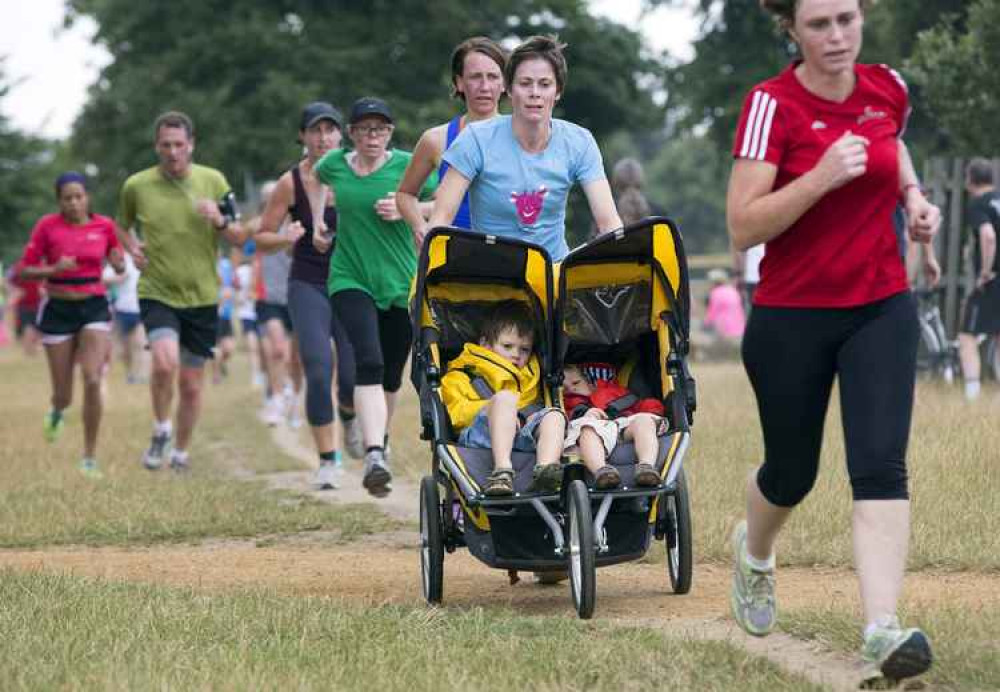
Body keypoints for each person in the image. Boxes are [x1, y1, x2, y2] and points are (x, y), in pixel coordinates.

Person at [726, 0, 941, 685]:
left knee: (880, 464)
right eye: (819, 24)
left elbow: (892, 144)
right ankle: (755, 553)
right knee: (793, 473)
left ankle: (881, 629)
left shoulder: (889, 88)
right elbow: (742, 226)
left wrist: (912, 197)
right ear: (791, 29)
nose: (838, 36)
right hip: (791, 315)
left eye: (847, 18)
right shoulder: (771, 105)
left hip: (880, 305)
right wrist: (819, 176)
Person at [311, 97, 436, 497]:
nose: (372, 136)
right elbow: (314, 179)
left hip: (401, 282)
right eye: (364, 129)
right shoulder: (333, 165)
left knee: (390, 374)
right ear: (351, 134)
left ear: (390, 132)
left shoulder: (405, 165)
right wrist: (318, 222)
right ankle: (375, 452)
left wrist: (407, 209)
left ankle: (377, 439)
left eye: (380, 129)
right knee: (368, 358)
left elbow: (445, 200)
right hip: (350, 277)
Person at [116, 111, 247, 472]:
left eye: (178, 144)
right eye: (165, 145)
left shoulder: (214, 180)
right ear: (156, 146)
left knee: (191, 384)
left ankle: (181, 453)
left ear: (191, 145)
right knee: (163, 361)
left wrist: (219, 220)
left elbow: (239, 236)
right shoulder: (136, 186)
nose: (172, 152)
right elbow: (121, 226)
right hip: (157, 290)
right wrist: (132, 247)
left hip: (203, 295)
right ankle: (161, 428)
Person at [426, 35, 622, 261]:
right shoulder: (475, 139)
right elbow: (440, 220)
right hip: (489, 276)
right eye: (525, 83)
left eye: (545, 84)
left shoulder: (580, 141)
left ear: (557, 91)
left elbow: (608, 222)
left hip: (553, 274)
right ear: (509, 89)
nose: (535, 92)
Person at [257, 102, 359, 489]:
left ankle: (349, 414)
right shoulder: (291, 183)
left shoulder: (358, 172)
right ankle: (328, 460)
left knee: (351, 375)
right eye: (315, 131)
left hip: (351, 281)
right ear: (303, 136)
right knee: (317, 368)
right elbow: (262, 237)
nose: (323, 138)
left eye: (330, 130)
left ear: (341, 134)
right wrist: (285, 236)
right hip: (308, 284)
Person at [18, 172, 126, 478]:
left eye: (79, 196)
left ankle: (89, 458)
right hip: (58, 308)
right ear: (59, 201)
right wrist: (54, 268)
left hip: (93, 305)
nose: (74, 203)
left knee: (93, 379)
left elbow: (117, 260)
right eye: (68, 198)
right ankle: (56, 411)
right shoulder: (47, 227)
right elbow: (24, 271)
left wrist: (118, 262)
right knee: (63, 393)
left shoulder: (104, 226)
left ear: (87, 197)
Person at [440, 300, 566, 495]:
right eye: (507, 346)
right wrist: (496, 409)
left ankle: (546, 471)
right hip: (481, 436)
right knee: (505, 399)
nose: (516, 355)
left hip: (523, 435)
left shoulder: (533, 375)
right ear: (484, 344)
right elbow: (455, 413)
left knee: (554, 415)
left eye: (524, 349)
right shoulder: (462, 374)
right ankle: (502, 471)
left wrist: (529, 417)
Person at [397, 36, 507, 237]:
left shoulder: (520, 136)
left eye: (492, 77)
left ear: (505, 83)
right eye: (475, 77)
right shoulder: (436, 139)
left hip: (508, 255)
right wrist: (420, 227)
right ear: (459, 82)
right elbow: (405, 194)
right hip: (452, 258)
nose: (484, 86)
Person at [251, 183, 304, 428]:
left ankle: (293, 398)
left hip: (295, 294)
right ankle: (275, 398)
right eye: (266, 198)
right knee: (277, 350)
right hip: (268, 297)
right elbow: (242, 244)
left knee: (296, 358)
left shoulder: (299, 222)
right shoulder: (258, 226)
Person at [561, 363, 662, 489]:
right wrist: (582, 415)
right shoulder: (568, 403)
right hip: (595, 428)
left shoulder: (612, 391)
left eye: (576, 383)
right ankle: (601, 470)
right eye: (564, 388)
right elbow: (563, 422)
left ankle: (646, 466)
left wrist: (653, 409)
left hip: (624, 424)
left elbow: (639, 403)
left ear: (589, 382)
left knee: (644, 420)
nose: (571, 389)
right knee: (587, 430)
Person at [957, 158, 1000, 401]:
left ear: (971, 179)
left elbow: (988, 235)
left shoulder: (978, 204)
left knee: (967, 335)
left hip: (993, 280)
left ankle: (972, 397)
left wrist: (985, 272)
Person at [103, 251, 147, 383]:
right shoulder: (120, 259)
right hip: (122, 310)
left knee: (140, 344)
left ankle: (141, 375)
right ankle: (130, 373)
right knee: (124, 349)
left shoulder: (145, 261)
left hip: (140, 309)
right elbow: (103, 278)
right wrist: (118, 278)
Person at [8, 260, 44, 356]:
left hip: (24, 301)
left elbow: (12, 282)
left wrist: (13, 295)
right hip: (36, 301)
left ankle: (28, 349)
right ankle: (32, 348)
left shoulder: (19, 266)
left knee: (28, 326)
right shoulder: (39, 265)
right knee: (34, 326)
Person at [703, 268, 746, 340]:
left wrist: (705, 323)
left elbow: (712, 313)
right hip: (740, 327)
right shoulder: (732, 289)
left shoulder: (715, 293)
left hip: (726, 329)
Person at [213, 252, 236, 384]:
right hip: (214, 314)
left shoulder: (226, 265)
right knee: (217, 348)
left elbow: (232, 284)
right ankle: (216, 376)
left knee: (229, 349)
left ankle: (220, 364)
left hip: (227, 314)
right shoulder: (207, 267)